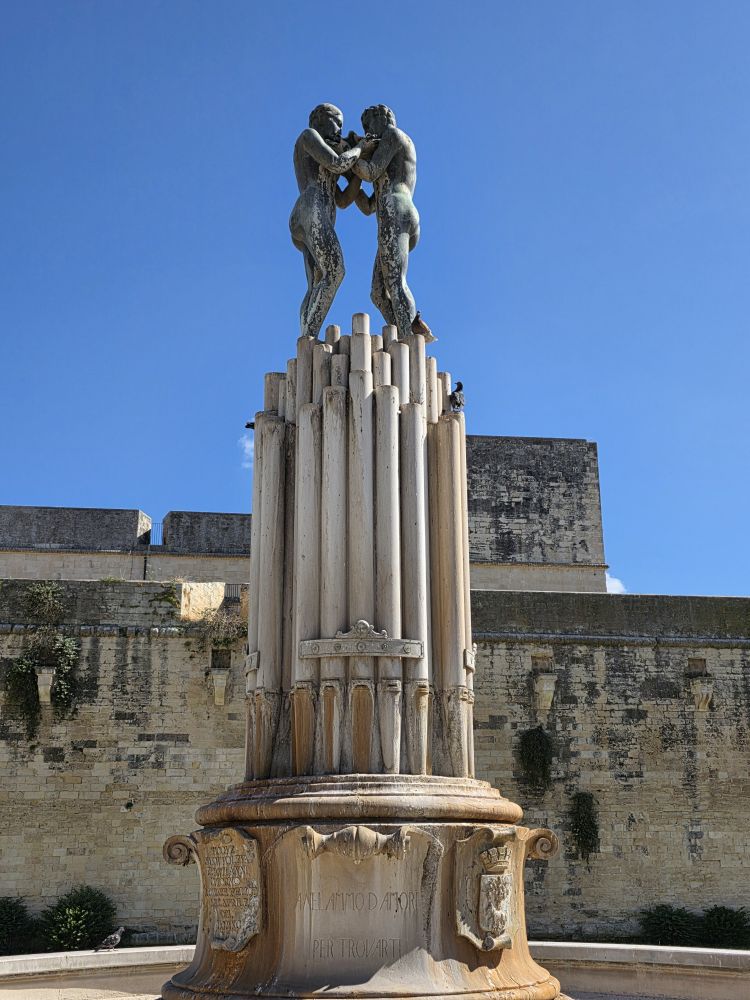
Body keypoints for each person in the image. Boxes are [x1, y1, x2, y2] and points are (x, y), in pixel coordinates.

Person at [289, 104, 373, 339]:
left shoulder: (326, 155)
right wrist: (359, 149)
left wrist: (357, 172)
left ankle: (305, 340)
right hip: (311, 207)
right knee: (335, 271)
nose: (340, 130)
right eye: (338, 123)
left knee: (316, 283)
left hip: (314, 214)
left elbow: (344, 200)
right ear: (321, 119)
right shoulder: (309, 136)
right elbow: (336, 163)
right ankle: (308, 338)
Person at [353, 105, 427, 341]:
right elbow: (368, 206)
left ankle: (410, 341)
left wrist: (352, 152)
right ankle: (403, 334)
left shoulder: (393, 135)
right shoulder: (388, 158)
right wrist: (348, 184)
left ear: (382, 119)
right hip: (392, 214)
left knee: (395, 282)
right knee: (378, 292)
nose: (368, 132)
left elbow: (370, 171)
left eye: (369, 126)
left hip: (397, 212)